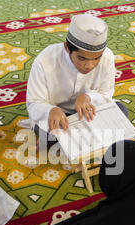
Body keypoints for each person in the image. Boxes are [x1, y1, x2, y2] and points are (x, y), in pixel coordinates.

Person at [26, 14, 129, 147]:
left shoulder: (107, 57)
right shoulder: (44, 61)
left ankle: (74, 142)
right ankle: (106, 136)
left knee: (121, 110)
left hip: (88, 112)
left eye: (97, 58)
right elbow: (34, 102)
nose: (89, 66)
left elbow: (106, 94)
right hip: (59, 116)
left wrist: (88, 97)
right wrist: (51, 110)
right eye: (82, 58)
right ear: (67, 48)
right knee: (49, 135)